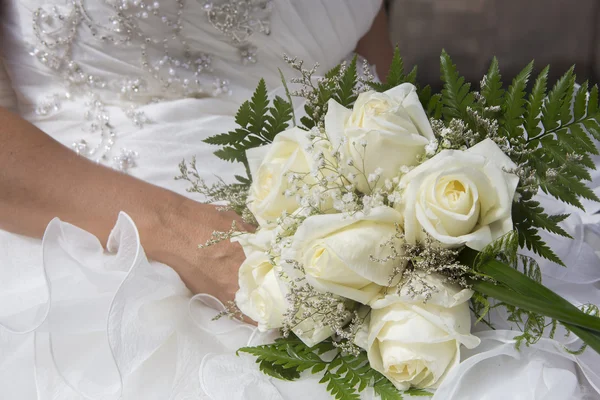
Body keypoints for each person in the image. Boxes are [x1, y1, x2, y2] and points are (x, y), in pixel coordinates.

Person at [0, 1, 598, 399]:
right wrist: (186, 235)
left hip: (357, 198)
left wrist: (387, 184)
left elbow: (361, 45)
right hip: (97, 225)